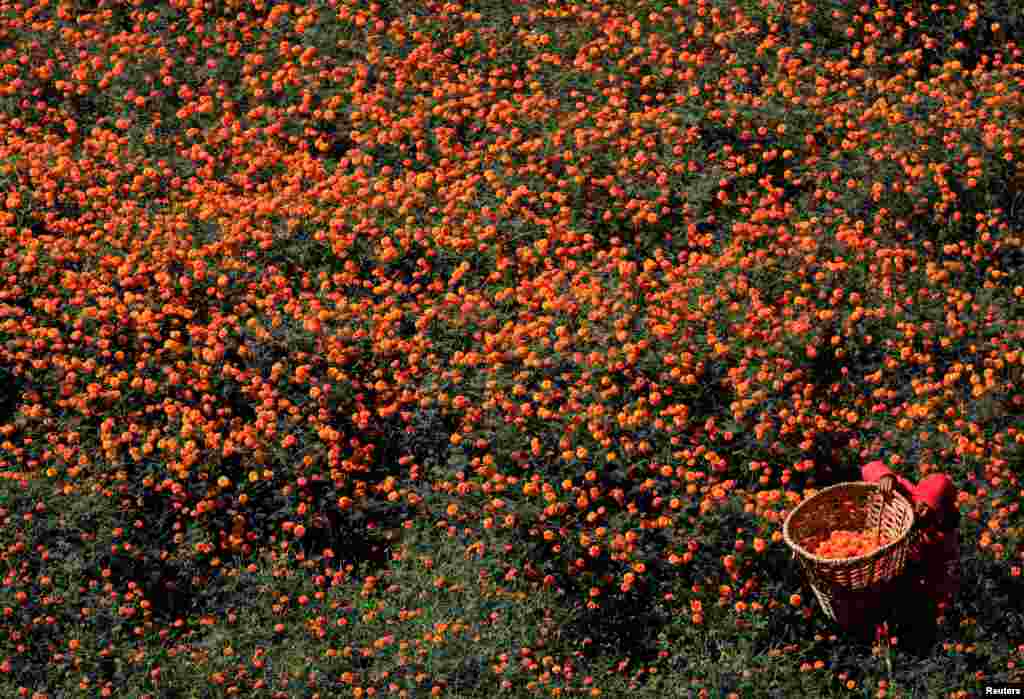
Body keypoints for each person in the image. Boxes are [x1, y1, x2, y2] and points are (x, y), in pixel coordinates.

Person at [861, 461, 961, 613]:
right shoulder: (905, 492)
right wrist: (884, 477)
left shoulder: (939, 534)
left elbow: (941, 568)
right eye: (923, 505)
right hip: (874, 545)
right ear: (918, 496)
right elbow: (870, 467)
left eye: (932, 511)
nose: (924, 513)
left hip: (899, 571)